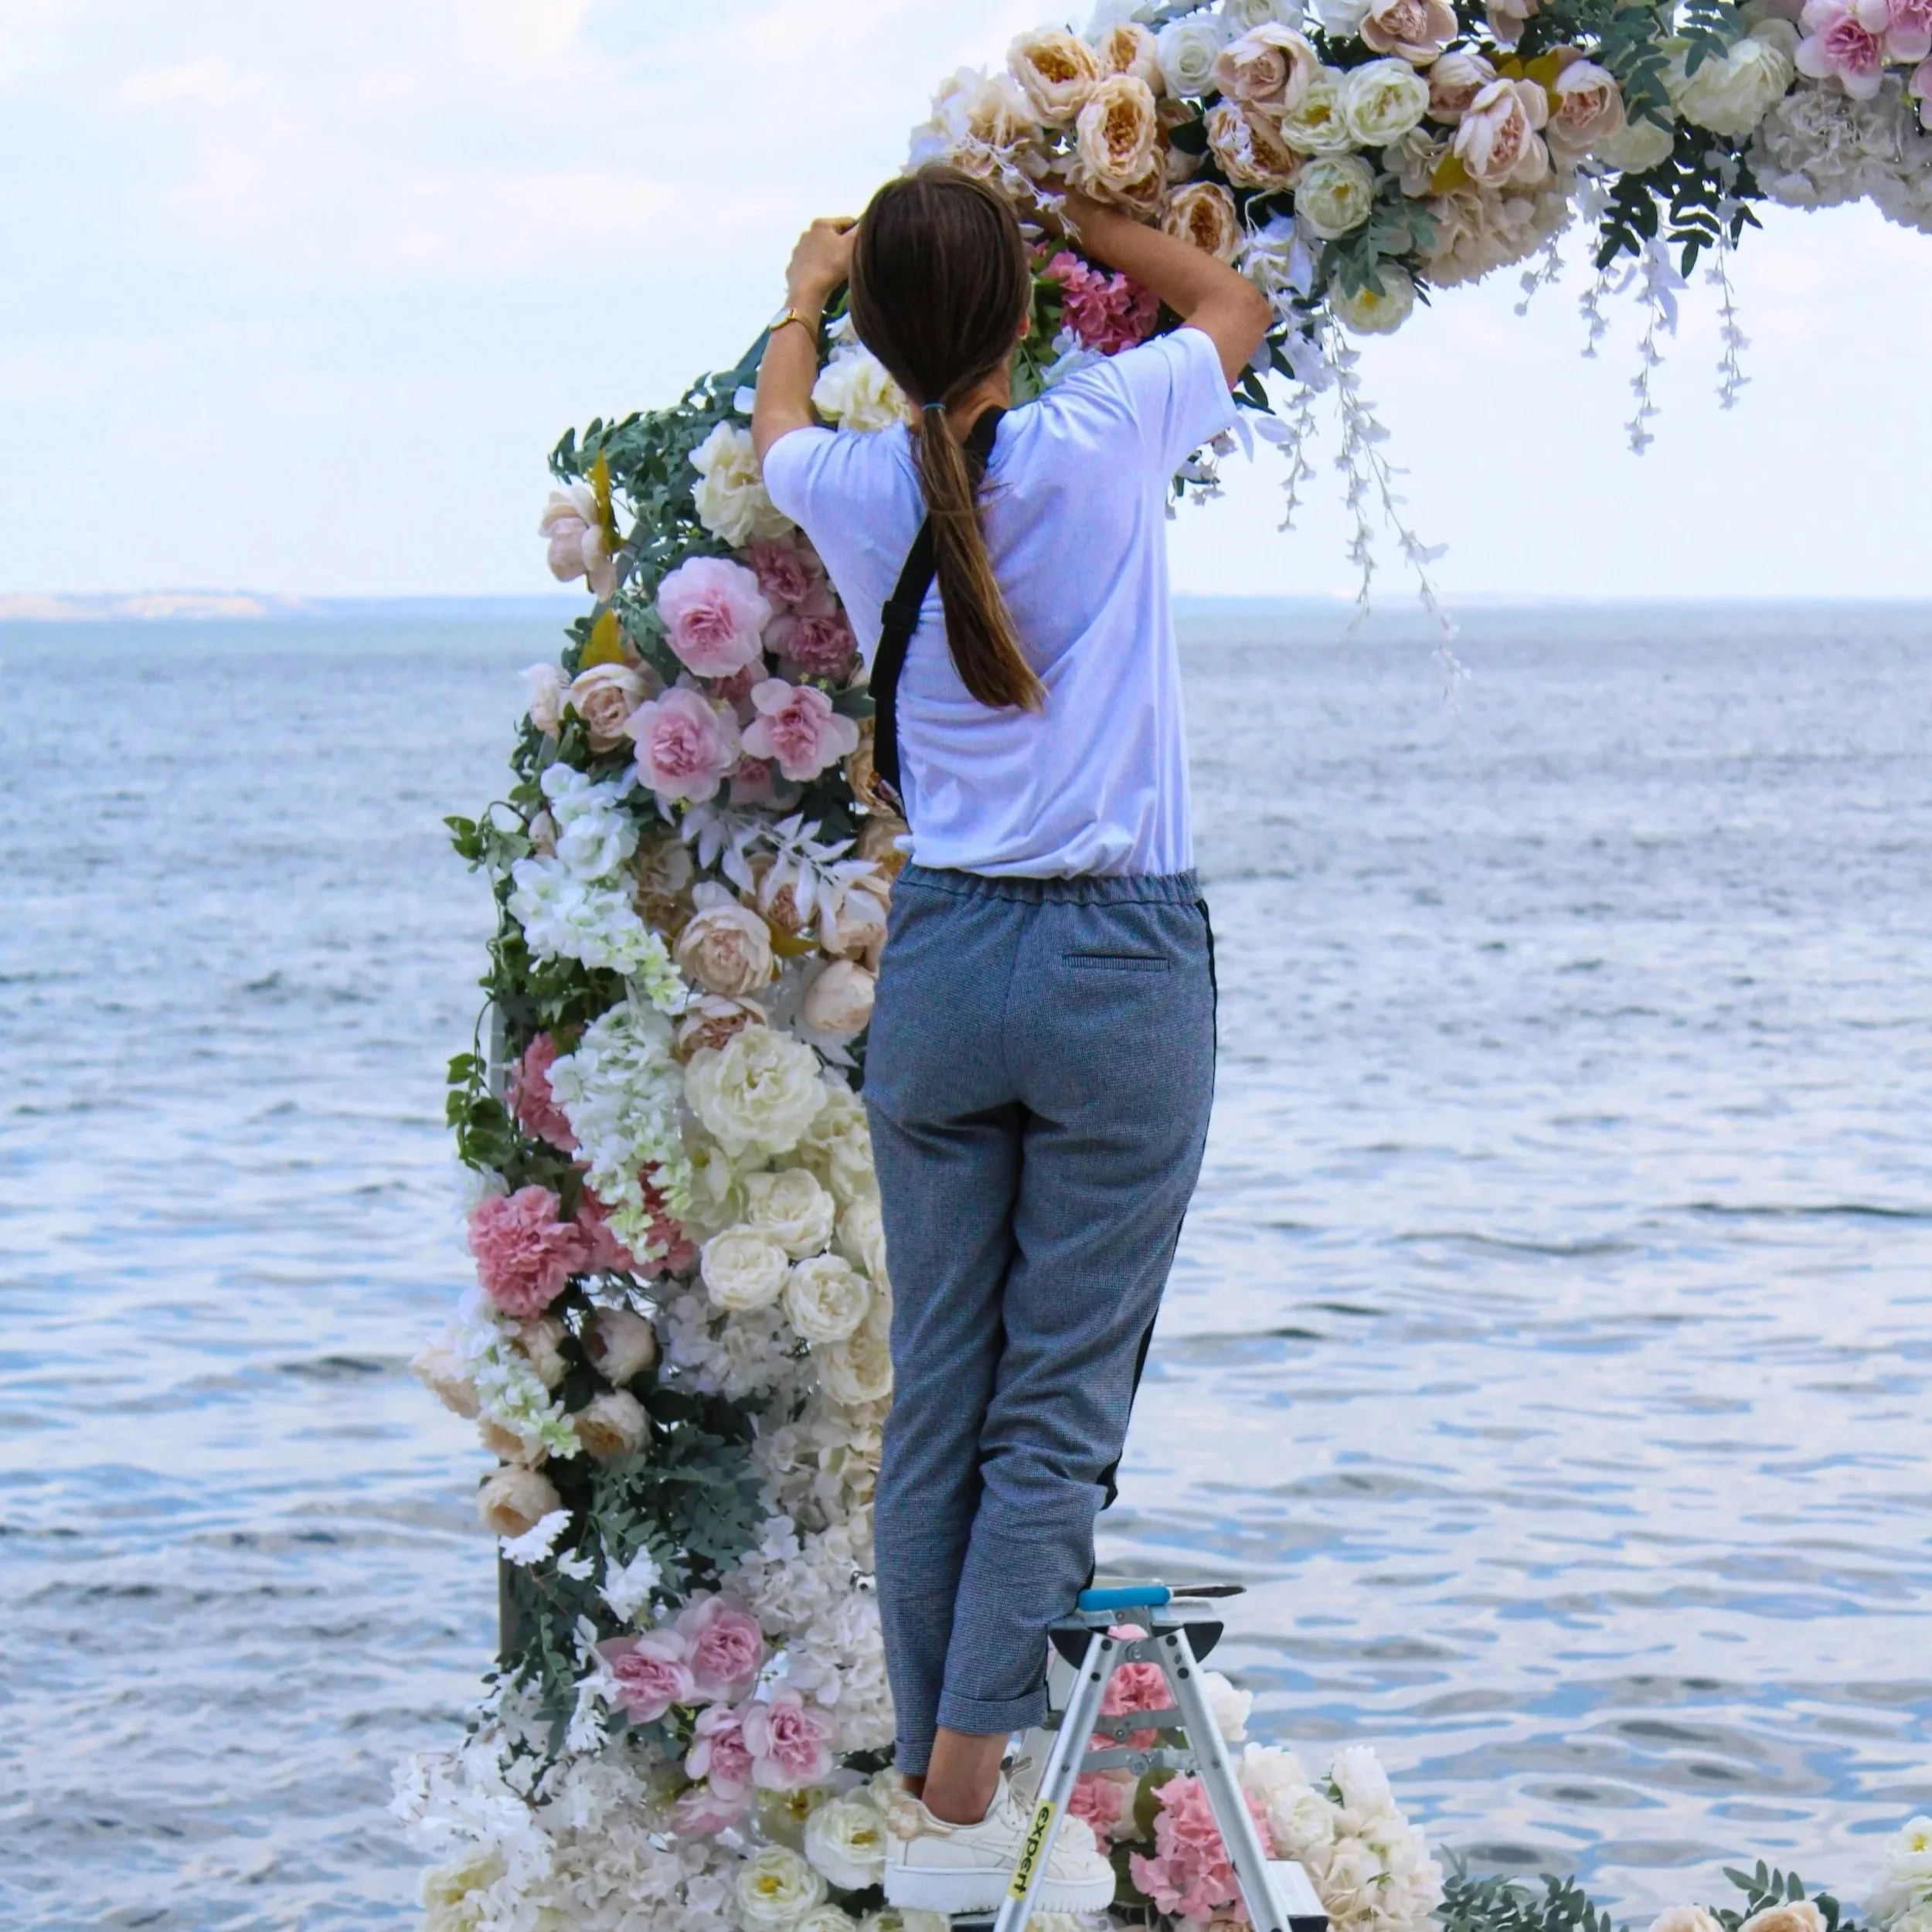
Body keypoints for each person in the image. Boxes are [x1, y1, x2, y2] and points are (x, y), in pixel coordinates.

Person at [752, 165, 1271, 1914]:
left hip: (952, 964)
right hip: (1119, 961)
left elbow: (769, 425)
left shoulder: (843, 478)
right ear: (1026, 312)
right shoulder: (1097, 428)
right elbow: (1232, 305)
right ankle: (972, 1750)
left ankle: (929, 1740)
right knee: (1055, 1400)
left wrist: (807, 291)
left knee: (941, 1401)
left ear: (884, 340)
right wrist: (1082, 224)